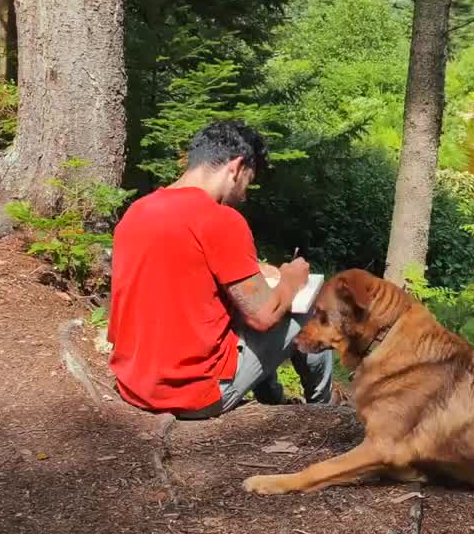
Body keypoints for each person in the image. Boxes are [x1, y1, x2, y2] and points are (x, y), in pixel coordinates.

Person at [106, 120, 332, 419]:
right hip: (193, 395)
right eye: (247, 183)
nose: (244, 195)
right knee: (311, 313)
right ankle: (324, 413)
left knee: (243, 310)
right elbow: (264, 316)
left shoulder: (138, 211)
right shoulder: (220, 219)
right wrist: (291, 280)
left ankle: (274, 400)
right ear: (236, 168)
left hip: (134, 385)